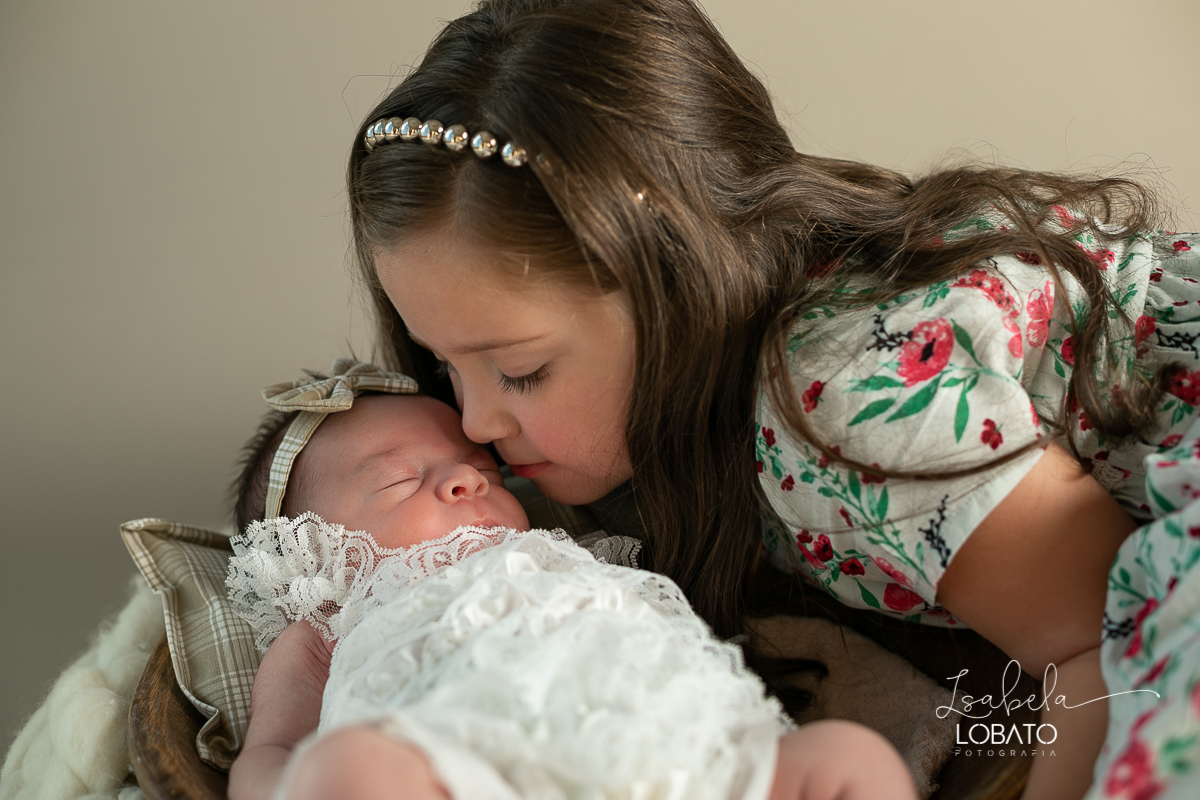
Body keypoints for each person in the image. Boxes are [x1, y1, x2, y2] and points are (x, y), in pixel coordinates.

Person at [343, 1, 1200, 797]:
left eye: (522, 370)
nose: (475, 422)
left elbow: (1104, 650)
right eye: (445, 366)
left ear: (678, 284)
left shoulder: (838, 400)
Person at [224, 359, 917, 800]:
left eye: (483, 470)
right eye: (402, 479)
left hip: (695, 767)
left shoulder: (578, 558)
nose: (466, 478)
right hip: (473, 773)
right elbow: (273, 752)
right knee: (347, 769)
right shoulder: (324, 630)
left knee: (849, 759)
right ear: (305, 554)